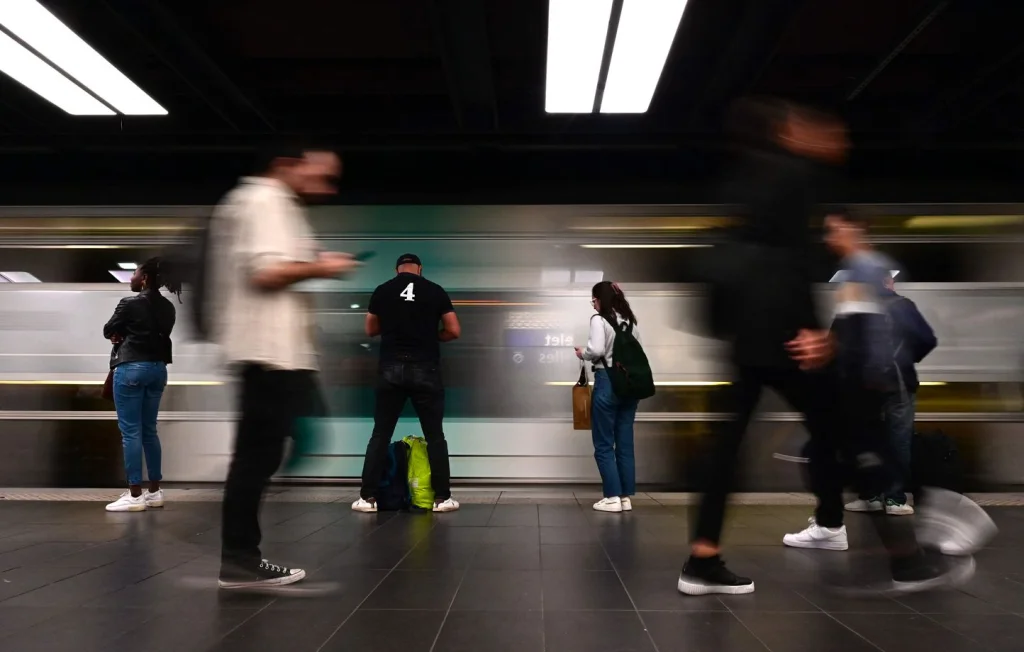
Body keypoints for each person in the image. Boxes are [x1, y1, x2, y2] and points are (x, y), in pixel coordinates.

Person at [677, 99, 849, 596]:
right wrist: (817, 331)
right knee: (844, 428)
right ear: (783, 130)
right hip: (784, 334)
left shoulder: (742, 180)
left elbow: (749, 255)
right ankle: (903, 547)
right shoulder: (790, 175)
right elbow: (791, 259)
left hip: (746, 335)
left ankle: (702, 557)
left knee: (728, 446)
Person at [211, 144, 360, 589]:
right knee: (258, 457)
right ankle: (239, 559)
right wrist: (321, 267)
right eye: (323, 176)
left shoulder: (269, 204)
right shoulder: (265, 200)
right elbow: (266, 272)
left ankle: (240, 554)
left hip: (276, 355)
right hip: (268, 355)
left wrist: (313, 263)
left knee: (266, 452)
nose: (328, 188)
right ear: (288, 164)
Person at [352, 254, 461, 513]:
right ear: (420, 269)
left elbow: (370, 329)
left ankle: (367, 499)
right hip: (426, 368)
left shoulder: (382, 290)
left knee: (380, 434)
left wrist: (394, 328)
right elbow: (453, 330)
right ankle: (442, 499)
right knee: (435, 436)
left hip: (390, 368)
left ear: (396, 270)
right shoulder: (435, 290)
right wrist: (431, 336)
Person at [845, 273, 936, 515]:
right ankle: (895, 499)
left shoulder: (857, 307)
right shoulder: (902, 306)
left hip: (865, 386)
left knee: (868, 440)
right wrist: (906, 359)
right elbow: (927, 339)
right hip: (899, 383)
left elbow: (841, 344)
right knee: (899, 440)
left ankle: (871, 497)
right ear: (888, 282)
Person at [102, 257, 180, 512]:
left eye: (134, 273)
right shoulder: (168, 306)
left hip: (131, 369)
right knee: (149, 431)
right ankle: (154, 492)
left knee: (131, 432)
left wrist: (120, 334)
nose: (132, 278)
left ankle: (135, 495)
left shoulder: (130, 303)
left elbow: (108, 329)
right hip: (158, 370)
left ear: (144, 278)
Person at [574, 281, 642, 513]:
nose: (593, 304)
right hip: (630, 385)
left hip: (607, 382)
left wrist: (583, 353)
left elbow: (597, 350)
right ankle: (625, 498)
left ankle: (612, 497)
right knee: (625, 444)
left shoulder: (599, 319)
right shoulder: (630, 321)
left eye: (593, 299)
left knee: (603, 443)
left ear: (600, 299)